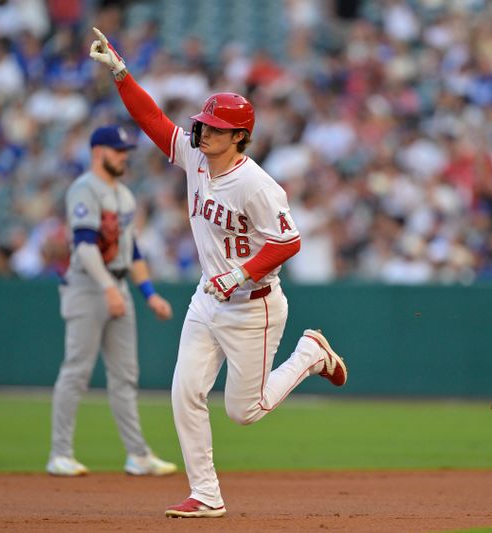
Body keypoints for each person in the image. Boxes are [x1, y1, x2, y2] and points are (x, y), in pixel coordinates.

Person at [89, 28, 348, 518]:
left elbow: (289, 241)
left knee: (242, 412)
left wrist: (240, 274)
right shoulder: (194, 157)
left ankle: (310, 354)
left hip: (255, 306)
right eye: (203, 124)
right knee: (184, 392)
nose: (201, 131)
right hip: (207, 301)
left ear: (238, 137)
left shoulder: (257, 185)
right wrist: (121, 72)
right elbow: (153, 120)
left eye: (212, 127)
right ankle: (206, 494)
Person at [47, 124, 177, 478]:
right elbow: (85, 247)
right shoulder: (84, 190)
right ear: (97, 152)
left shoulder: (125, 195)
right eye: (117, 150)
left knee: (125, 376)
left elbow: (132, 250)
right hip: (88, 285)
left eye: (125, 151)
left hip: (116, 284)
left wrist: (149, 293)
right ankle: (59, 453)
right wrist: (107, 288)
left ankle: (137, 454)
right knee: (77, 370)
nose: (123, 156)